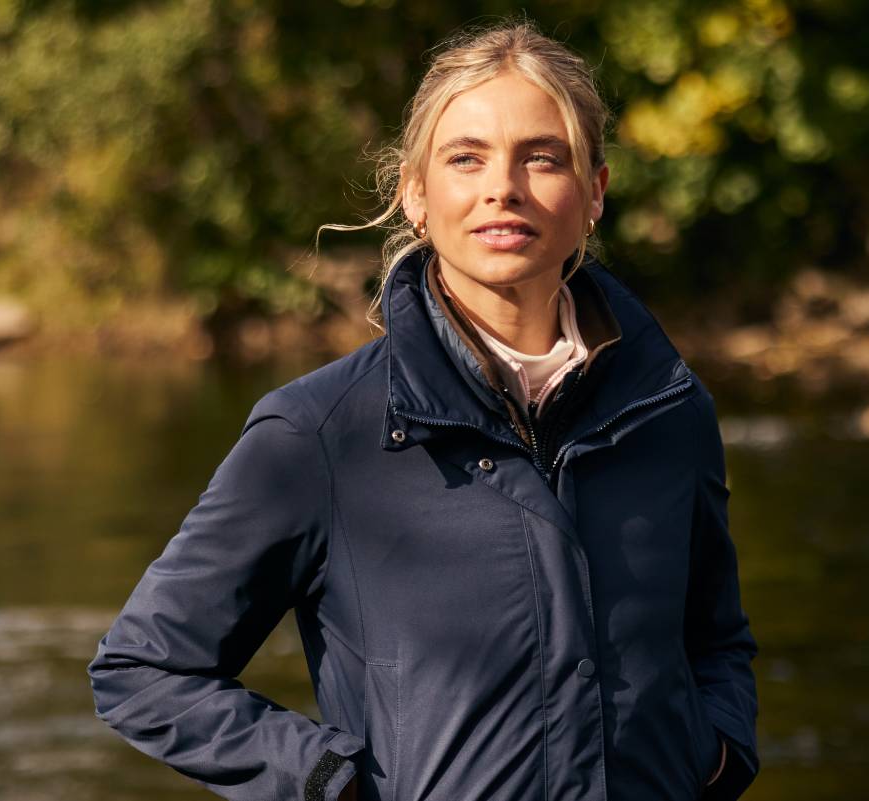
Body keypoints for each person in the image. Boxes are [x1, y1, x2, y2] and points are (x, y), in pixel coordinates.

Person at [89, 21, 759, 801]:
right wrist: (329, 781)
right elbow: (143, 669)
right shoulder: (319, 432)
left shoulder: (669, 410)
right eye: (465, 158)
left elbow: (716, 640)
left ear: (595, 193)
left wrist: (715, 751)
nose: (501, 187)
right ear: (415, 193)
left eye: (541, 157)